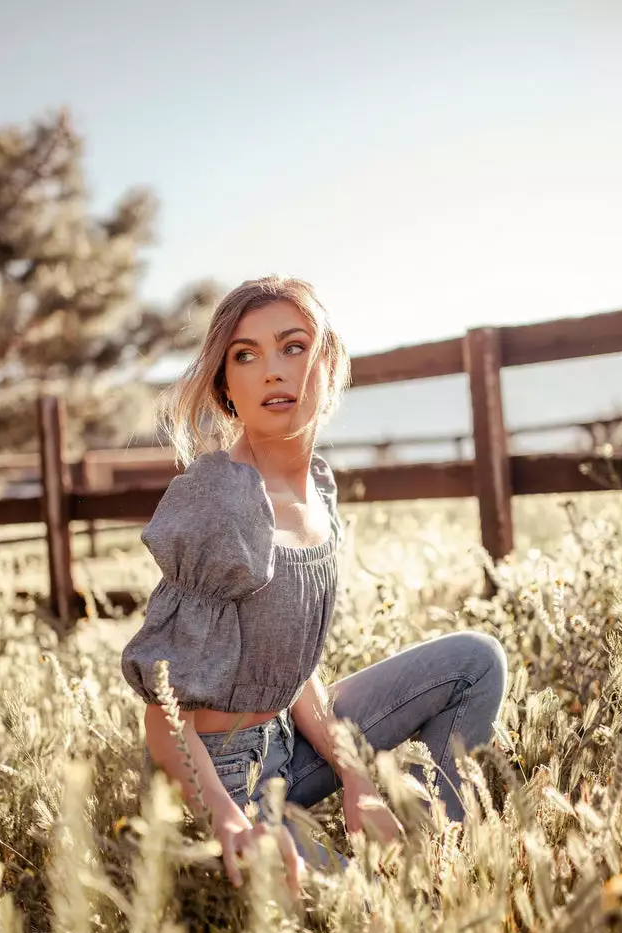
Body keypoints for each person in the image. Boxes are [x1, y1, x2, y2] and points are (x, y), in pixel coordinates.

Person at [121, 275, 508, 894]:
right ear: (225, 386)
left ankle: (437, 853)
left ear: (329, 365)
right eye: (245, 355)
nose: (272, 370)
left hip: (289, 742)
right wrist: (227, 821)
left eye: (293, 346)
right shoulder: (221, 502)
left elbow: (289, 666)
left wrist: (356, 778)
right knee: (359, 909)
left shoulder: (319, 490)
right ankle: (386, 890)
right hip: (216, 778)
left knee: (475, 662)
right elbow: (165, 720)